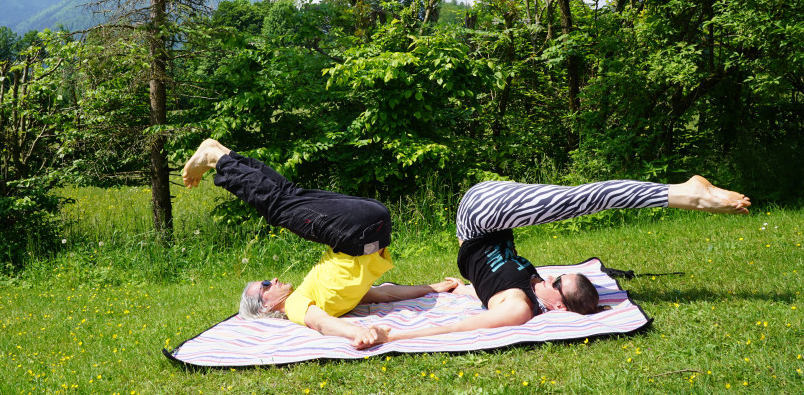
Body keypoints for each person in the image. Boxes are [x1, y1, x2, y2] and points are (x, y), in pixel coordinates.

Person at [372, 176, 751, 345]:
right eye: (560, 277)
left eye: (557, 284)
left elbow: (459, 328)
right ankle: (683, 194)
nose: (550, 279)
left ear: (559, 307)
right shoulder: (543, 290)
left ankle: (686, 194)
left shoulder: (518, 308)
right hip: (493, 212)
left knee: (578, 200)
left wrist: (398, 335)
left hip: (477, 220)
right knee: (573, 199)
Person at [181, 139, 459, 349]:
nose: (273, 279)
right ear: (264, 308)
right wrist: (355, 332)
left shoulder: (328, 299)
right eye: (265, 285)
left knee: (286, 196)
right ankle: (218, 158)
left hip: (369, 227)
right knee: (281, 204)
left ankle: (224, 155)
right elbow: (322, 322)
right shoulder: (296, 306)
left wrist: (432, 289)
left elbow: (383, 294)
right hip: (358, 231)